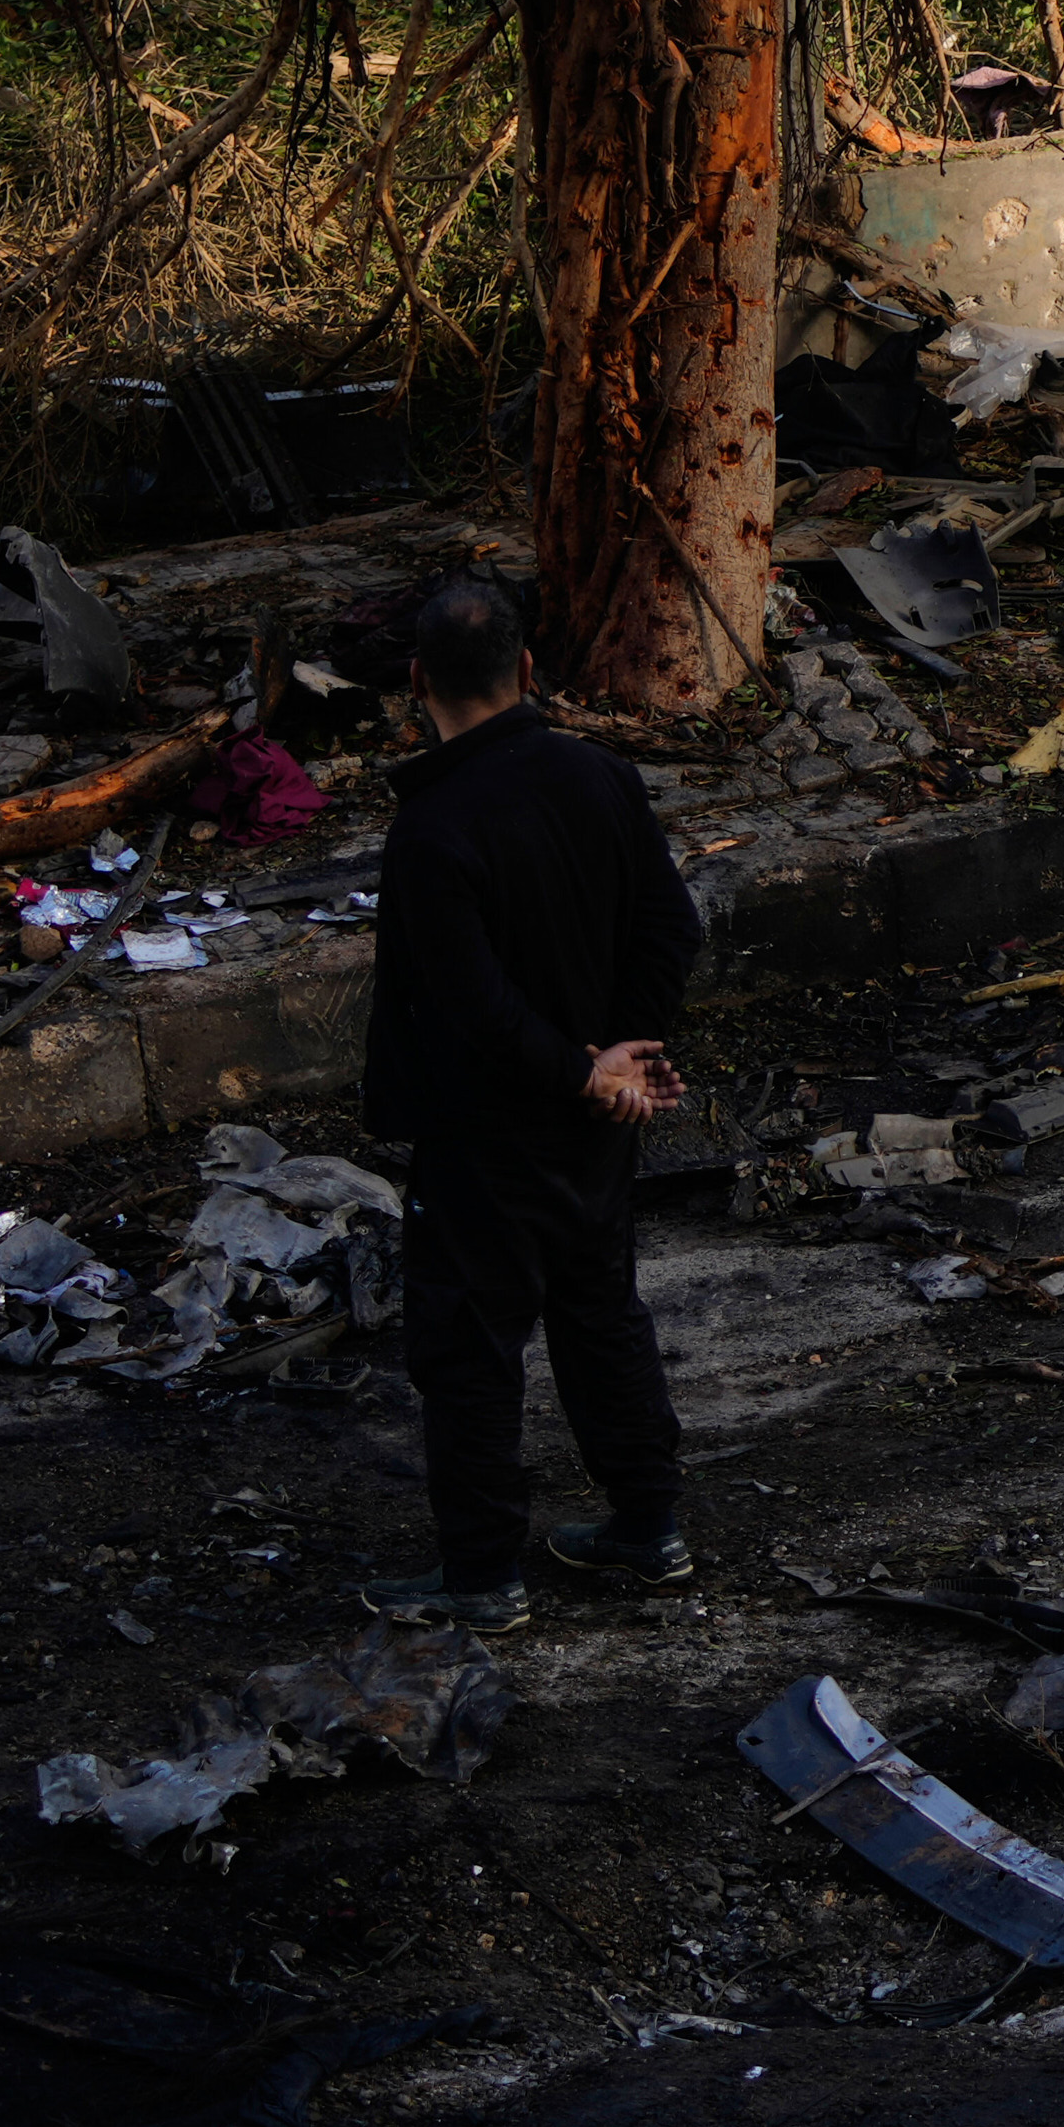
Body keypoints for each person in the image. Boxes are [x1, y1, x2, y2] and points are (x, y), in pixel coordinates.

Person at [354, 569, 701, 1627]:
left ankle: (482, 1577)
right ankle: (649, 1525)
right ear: (529, 667)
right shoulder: (600, 776)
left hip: (487, 1132)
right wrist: (624, 1064)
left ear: (417, 681)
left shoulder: (432, 830)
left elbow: (472, 1008)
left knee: (468, 1351)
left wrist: (585, 1068)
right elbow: (669, 929)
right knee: (601, 1316)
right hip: (595, 1124)